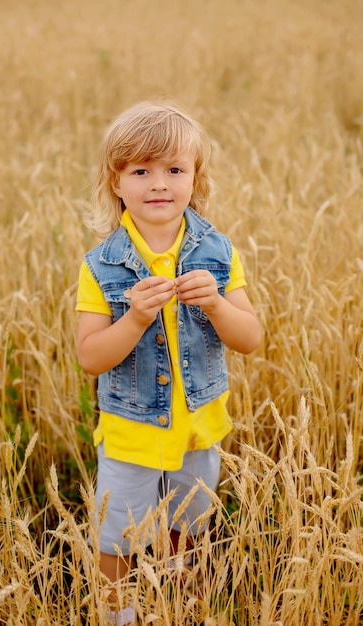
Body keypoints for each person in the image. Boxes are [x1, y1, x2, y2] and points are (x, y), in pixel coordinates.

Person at [76, 101, 260, 625]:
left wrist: (218, 304)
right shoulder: (101, 266)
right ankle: (122, 616)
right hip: (132, 432)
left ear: (195, 178)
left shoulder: (218, 254)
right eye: (141, 171)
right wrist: (133, 319)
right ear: (116, 182)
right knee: (119, 539)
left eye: (174, 170)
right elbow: (90, 356)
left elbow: (249, 338)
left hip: (198, 431)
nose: (159, 184)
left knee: (189, 531)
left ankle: (187, 609)